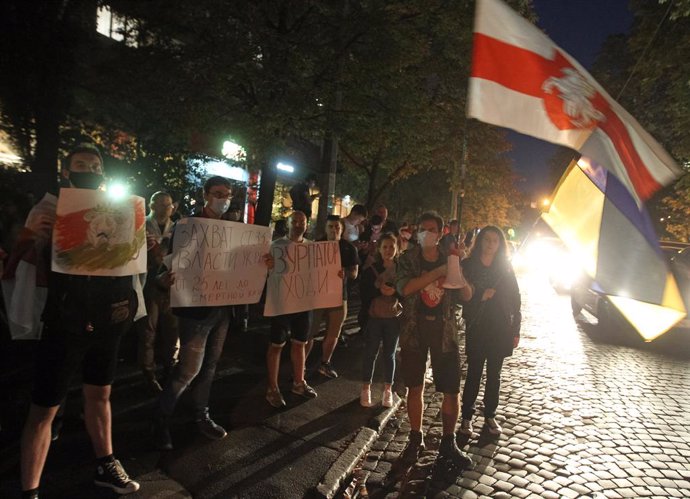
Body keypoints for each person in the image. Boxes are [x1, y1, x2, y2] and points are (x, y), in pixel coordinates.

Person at [13, 144, 139, 498]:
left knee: (101, 394)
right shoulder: (49, 208)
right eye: (81, 164)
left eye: (95, 165)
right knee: (44, 407)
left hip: (107, 319)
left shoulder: (120, 210)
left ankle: (106, 463)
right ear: (66, 172)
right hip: (65, 320)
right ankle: (30, 490)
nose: (89, 169)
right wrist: (30, 233)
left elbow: (132, 262)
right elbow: (16, 262)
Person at [151, 176, 234, 451]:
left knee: (210, 366)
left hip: (221, 310)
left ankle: (201, 414)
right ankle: (161, 419)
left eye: (228, 194)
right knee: (188, 369)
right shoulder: (187, 227)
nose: (223, 198)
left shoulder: (233, 229)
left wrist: (262, 263)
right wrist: (164, 279)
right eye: (218, 193)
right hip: (195, 311)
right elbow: (172, 263)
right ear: (206, 195)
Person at [395, 211, 473, 472]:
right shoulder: (408, 259)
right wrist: (438, 272)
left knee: (451, 390)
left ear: (440, 233)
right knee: (414, 386)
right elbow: (405, 288)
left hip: (444, 333)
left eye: (431, 229)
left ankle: (448, 442)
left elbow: (466, 295)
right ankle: (415, 438)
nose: (425, 233)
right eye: (421, 228)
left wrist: (457, 268)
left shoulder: (450, 258)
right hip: (414, 330)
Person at [459, 226, 521, 437]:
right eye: (487, 239)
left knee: (494, 375)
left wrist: (516, 328)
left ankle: (490, 415)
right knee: (474, 373)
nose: (490, 244)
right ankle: (466, 417)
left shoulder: (505, 267)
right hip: (477, 326)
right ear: (480, 241)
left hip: (500, 327)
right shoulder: (468, 265)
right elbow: (460, 296)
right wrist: (480, 296)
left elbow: (515, 298)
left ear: (500, 244)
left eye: (495, 240)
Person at [264, 211, 318, 408]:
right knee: (276, 345)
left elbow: (320, 274)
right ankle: (272, 388)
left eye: (301, 222)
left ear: (307, 225)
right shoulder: (276, 246)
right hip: (281, 303)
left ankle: (298, 382)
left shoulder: (313, 248)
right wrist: (268, 265)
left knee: (300, 343)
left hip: (303, 304)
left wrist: (334, 274)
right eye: (294, 221)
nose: (298, 224)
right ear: (288, 224)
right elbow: (264, 272)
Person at [306, 215, 359, 378]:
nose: (334, 230)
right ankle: (302, 364)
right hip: (317, 295)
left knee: (333, 333)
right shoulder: (316, 245)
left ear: (342, 229)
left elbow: (354, 273)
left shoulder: (349, 248)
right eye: (331, 226)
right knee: (309, 332)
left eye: (337, 227)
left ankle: (325, 363)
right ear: (325, 228)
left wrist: (345, 273)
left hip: (338, 296)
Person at [138, 191, 179, 393]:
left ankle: (169, 368)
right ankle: (148, 373)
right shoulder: (141, 225)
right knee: (149, 331)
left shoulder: (180, 228)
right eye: (160, 204)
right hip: (149, 285)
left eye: (168, 204)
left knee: (172, 330)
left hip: (172, 285)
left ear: (173, 207)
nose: (164, 208)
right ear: (151, 205)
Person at [360, 233, 400, 408]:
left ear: (397, 248)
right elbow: (364, 293)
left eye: (392, 247)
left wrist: (395, 292)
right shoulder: (372, 268)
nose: (388, 250)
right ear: (380, 249)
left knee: (390, 354)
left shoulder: (401, 269)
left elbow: (407, 291)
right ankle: (365, 388)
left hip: (393, 318)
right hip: (375, 317)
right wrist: (379, 290)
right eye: (385, 247)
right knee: (371, 352)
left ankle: (387, 390)